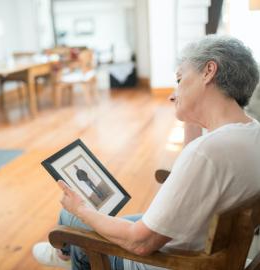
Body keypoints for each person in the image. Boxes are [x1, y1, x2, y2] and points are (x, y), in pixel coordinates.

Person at [33, 35, 260, 270]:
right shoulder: (251, 133)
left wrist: (79, 209)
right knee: (86, 220)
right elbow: (199, 175)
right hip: (212, 250)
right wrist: (191, 114)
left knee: (71, 222)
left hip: (171, 260)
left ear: (208, 71)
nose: (174, 92)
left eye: (180, 79)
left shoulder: (206, 153)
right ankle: (62, 255)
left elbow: (140, 242)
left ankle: (63, 254)